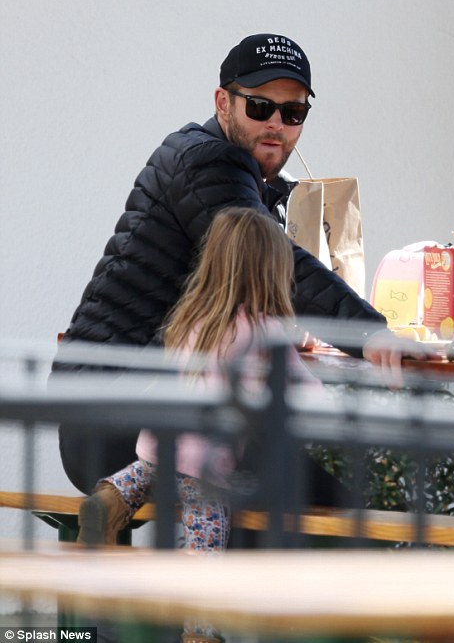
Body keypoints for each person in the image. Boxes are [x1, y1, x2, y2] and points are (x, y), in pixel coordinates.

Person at [54, 32, 423, 498]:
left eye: (292, 113)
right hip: (119, 423)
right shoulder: (207, 163)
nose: (276, 124)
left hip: (151, 409)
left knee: (300, 476)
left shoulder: (243, 175)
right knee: (334, 487)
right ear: (223, 103)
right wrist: (368, 334)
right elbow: (283, 269)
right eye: (259, 107)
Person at [80, 207, 314, 641]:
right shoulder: (266, 334)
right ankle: (199, 633)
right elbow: (308, 395)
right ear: (272, 272)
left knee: (141, 476)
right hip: (204, 468)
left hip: (157, 443)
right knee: (205, 547)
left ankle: (109, 501)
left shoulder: (191, 315)